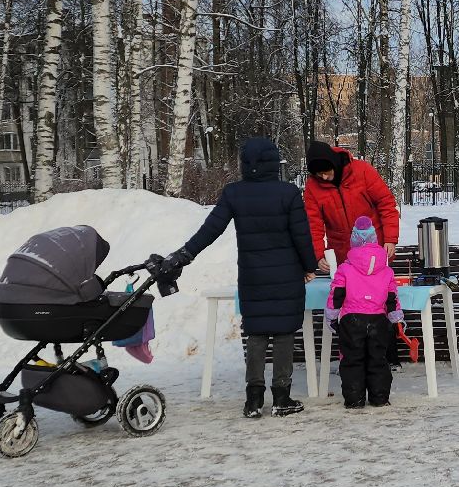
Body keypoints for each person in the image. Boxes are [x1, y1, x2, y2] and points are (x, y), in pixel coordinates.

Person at [161, 137, 315, 418]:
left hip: (252, 276)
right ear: (273, 163)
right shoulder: (288, 193)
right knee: (283, 334)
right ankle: (282, 398)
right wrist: (309, 266)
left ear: (245, 165)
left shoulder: (234, 194)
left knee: (256, 334)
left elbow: (211, 229)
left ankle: (253, 400)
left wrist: (185, 253)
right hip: (286, 275)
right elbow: (301, 236)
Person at [326, 216, 401, 409]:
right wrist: (395, 317)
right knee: (378, 359)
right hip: (378, 320)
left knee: (352, 360)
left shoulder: (345, 269)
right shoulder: (386, 270)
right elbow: (392, 297)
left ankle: (354, 399)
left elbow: (336, 295)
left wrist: (332, 317)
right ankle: (380, 397)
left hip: (352, 321)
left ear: (354, 240)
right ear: (375, 239)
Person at [303, 140, 400, 272]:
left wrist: (390, 239)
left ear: (333, 163)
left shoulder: (363, 171)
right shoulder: (312, 187)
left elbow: (387, 205)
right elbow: (313, 224)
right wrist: (319, 255)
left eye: (326, 171)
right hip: (343, 255)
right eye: (319, 174)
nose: (324, 177)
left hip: (375, 249)